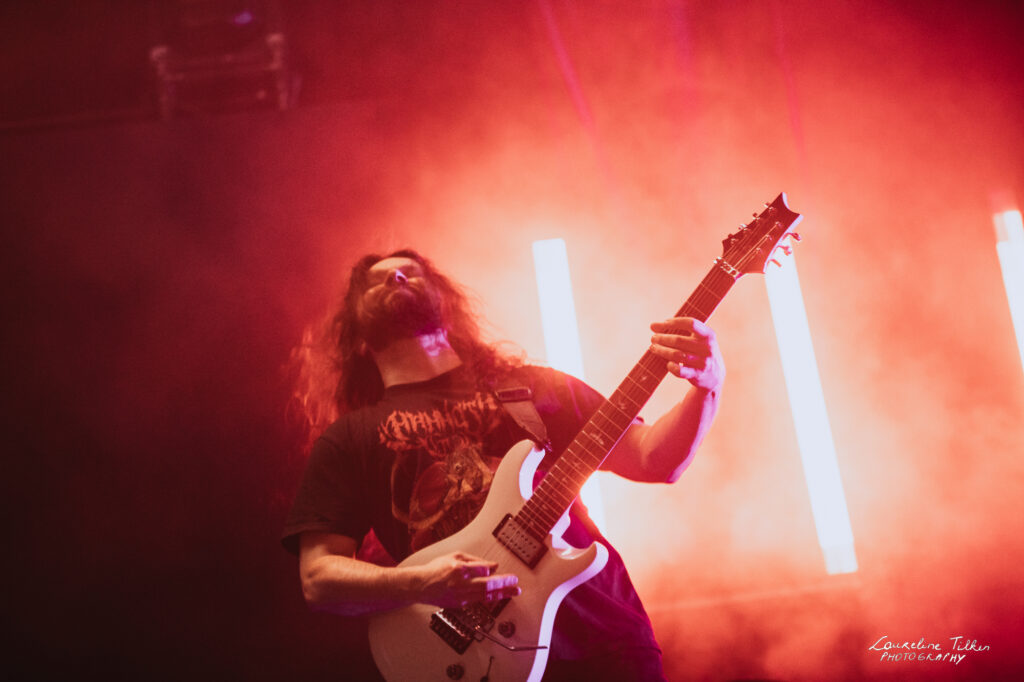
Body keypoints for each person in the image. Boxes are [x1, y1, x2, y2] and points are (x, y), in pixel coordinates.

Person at [282, 248, 724, 681]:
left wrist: (708, 387)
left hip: (602, 639)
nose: (397, 278)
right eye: (376, 281)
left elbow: (653, 460)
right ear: (357, 336)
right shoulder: (348, 439)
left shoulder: (535, 388)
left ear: (446, 305)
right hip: (474, 661)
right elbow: (319, 577)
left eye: (410, 273)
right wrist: (420, 583)